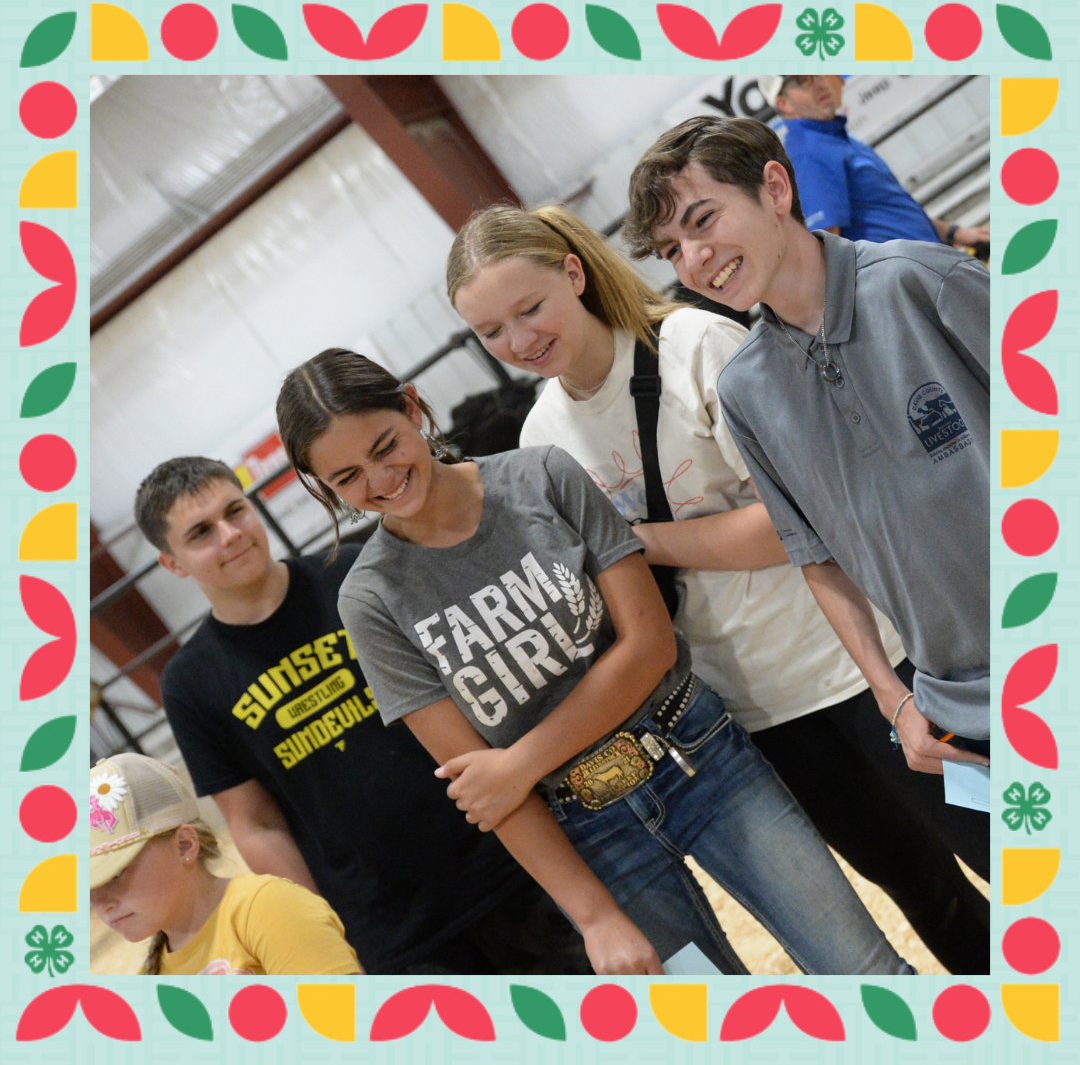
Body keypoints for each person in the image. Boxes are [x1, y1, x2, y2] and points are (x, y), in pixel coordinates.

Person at [446, 202, 989, 971]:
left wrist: (632, 543)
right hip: (760, 716)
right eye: (491, 332)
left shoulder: (699, 347)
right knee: (918, 888)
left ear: (573, 274)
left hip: (873, 669)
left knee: (1001, 842)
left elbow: (790, 527)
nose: (519, 340)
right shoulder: (540, 439)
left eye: (529, 309)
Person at [275, 348, 917, 976]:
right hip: (588, 833)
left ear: (412, 408)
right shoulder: (367, 600)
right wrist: (592, 917)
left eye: (385, 446)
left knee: (864, 971)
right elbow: (484, 789)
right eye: (347, 478)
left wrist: (519, 762)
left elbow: (649, 646)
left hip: (702, 760)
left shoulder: (542, 477)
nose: (379, 481)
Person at [624, 116, 990, 870]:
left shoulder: (925, 280)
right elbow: (817, 560)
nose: (695, 259)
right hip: (964, 711)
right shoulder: (747, 390)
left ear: (777, 188)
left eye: (703, 220)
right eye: (671, 251)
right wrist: (896, 702)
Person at [138, 457, 593, 975]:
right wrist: (315, 930)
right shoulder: (189, 682)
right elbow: (256, 824)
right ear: (172, 563)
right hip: (387, 929)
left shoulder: (353, 573)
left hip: (502, 861)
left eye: (235, 511)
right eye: (201, 532)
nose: (230, 535)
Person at [89, 753, 362, 975]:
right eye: (89, 887)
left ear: (185, 844)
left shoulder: (268, 908)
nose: (102, 903)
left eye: (116, 874)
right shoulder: (151, 977)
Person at [758, 75, 990, 250]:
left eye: (817, 74)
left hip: (930, 273)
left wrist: (954, 233)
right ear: (785, 104)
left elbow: (887, 209)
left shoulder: (832, 138)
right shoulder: (810, 153)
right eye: (802, 81)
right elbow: (828, 249)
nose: (819, 83)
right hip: (914, 289)